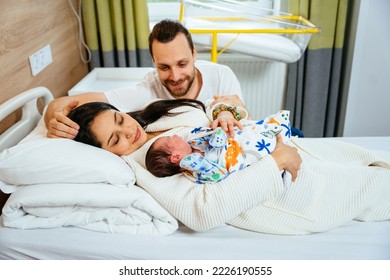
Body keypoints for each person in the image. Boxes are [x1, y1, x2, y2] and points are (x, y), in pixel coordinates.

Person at [66, 98, 390, 235]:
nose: (128, 131)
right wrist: (278, 160)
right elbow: (202, 213)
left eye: (119, 120)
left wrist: (224, 113)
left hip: (289, 148)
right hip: (285, 179)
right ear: (107, 153)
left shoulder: (150, 117)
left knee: (368, 156)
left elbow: (209, 110)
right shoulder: (145, 168)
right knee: (376, 187)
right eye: (115, 139)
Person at [45, 19, 248, 139]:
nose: (175, 76)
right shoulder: (147, 90)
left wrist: (237, 112)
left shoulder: (222, 75)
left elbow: (244, 125)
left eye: (182, 64)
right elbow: (59, 103)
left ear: (194, 55)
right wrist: (53, 118)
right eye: (164, 67)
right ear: (153, 62)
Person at [145, 110, 293, 185]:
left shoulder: (193, 141)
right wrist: (201, 165)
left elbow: (213, 134)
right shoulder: (196, 174)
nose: (176, 136)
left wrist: (217, 136)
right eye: (171, 139)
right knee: (259, 148)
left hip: (234, 142)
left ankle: (276, 130)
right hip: (237, 158)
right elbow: (219, 174)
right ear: (176, 157)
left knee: (260, 129)